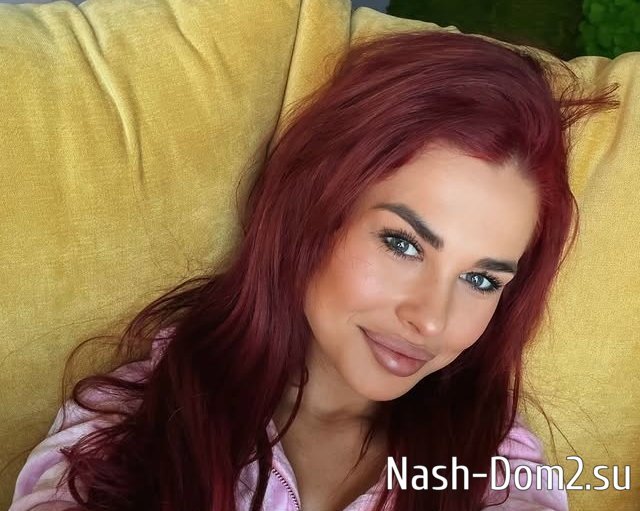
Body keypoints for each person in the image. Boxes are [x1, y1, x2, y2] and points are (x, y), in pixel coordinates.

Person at [9, 29, 617, 511]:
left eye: (481, 280)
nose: (431, 320)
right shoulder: (130, 424)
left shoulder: (495, 468)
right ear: (313, 215)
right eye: (403, 244)